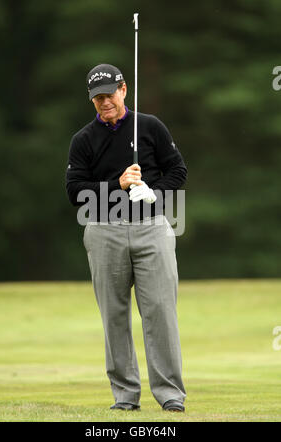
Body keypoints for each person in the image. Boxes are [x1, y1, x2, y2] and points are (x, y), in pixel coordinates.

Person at [66, 64, 187, 412]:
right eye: (97, 98)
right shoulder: (83, 140)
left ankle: (170, 395)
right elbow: (75, 192)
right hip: (104, 232)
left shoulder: (150, 127)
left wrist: (155, 192)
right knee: (114, 315)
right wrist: (116, 186)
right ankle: (124, 395)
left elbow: (178, 170)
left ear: (123, 89)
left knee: (161, 312)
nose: (104, 102)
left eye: (108, 94)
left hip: (152, 227)